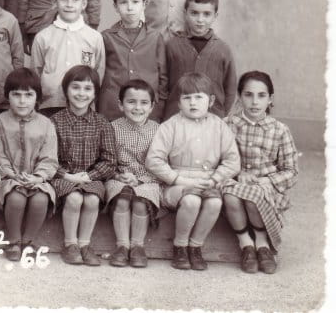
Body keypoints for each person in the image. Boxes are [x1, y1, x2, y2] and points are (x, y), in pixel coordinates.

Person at [146, 72, 240, 271]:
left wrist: (214, 179)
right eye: (187, 98)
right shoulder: (170, 126)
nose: (193, 103)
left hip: (209, 181)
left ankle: (195, 246)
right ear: (179, 103)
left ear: (211, 101)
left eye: (199, 97)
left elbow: (233, 161)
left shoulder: (219, 126)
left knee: (214, 202)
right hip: (177, 184)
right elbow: (154, 160)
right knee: (192, 200)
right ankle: (180, 246)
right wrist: (179, 180)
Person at [221, 71, 298, 275]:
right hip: (233, 182)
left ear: (270, 99)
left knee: (253, 196)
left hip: (265, 188)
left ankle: (262, 244)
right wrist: (237, 173)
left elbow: (291, 170)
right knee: (230, 195)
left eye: (261, 96)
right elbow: (216, 158)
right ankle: (246, 243)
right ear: (240, 97)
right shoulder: (227, 124)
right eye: (248, 95)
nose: (255, 102)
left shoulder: (279, 130)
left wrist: (268, 180)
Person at [50, 66, 116, 266]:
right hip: (63, 177)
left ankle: (85, 244)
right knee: (74, 198)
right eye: (75, 87)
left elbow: (109, 160)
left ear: (95, 93)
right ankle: (70, 244)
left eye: (87, 89)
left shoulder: (102, 123)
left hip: (91, 177)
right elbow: (48, 158)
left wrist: (90, 176)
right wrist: (67, 176)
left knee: (92, 200)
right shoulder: (54, 122)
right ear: (65, 90)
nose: (81, 93)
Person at [0, 67, 58, 262]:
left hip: (37, 178)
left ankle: (29, 241)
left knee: (40, 199)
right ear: (7, 96)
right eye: (16, 94)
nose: (22, 101)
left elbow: (49, 157)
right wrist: (11, 174)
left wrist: (38, 177)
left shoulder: (46, 124)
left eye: (28, 95)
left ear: (37, 97)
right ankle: (14, 241)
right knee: (16, 198)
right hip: (8, 178)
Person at [104, 79, 162, 268]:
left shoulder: (159, 130)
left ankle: (137, 246)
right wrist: (116, 175)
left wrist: (140, 179)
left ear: (152, 107)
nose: (137, 108)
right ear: (120, 105)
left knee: (140, 201)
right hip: (118, 178)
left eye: (144, 103)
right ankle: (122, 246)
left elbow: (161, 163)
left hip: (149, 180)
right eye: (131, 102)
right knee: (122, 198)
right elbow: (106, 159)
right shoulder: (112, 128)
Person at [31, 0, 105, 117]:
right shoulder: (43, 36)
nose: (69, 4)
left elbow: (98, 73)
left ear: (84, 4)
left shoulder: (95, 37)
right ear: (55, 2)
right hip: (50, 104)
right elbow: (35, 72)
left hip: (83, 105)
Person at [99, 0, 167, 122]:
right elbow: (99, 73)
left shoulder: (155, 37)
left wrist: (159, 105)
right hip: (113, 108)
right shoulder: (106, 37)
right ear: (115, 6)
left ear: (144, 4)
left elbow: (163, 77)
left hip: (146, 109)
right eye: (123, 2)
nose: (130, 8)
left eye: (135, 2)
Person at [164, 0, 236, 120]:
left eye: (207, 14)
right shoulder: (172, 46)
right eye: (194, 13)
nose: (200, 19)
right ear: (185, 13)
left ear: (215, 16)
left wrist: (220, 115)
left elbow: (230, 89)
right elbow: (163, 84)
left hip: (212, 118)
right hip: (177, 118)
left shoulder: (223, 49)